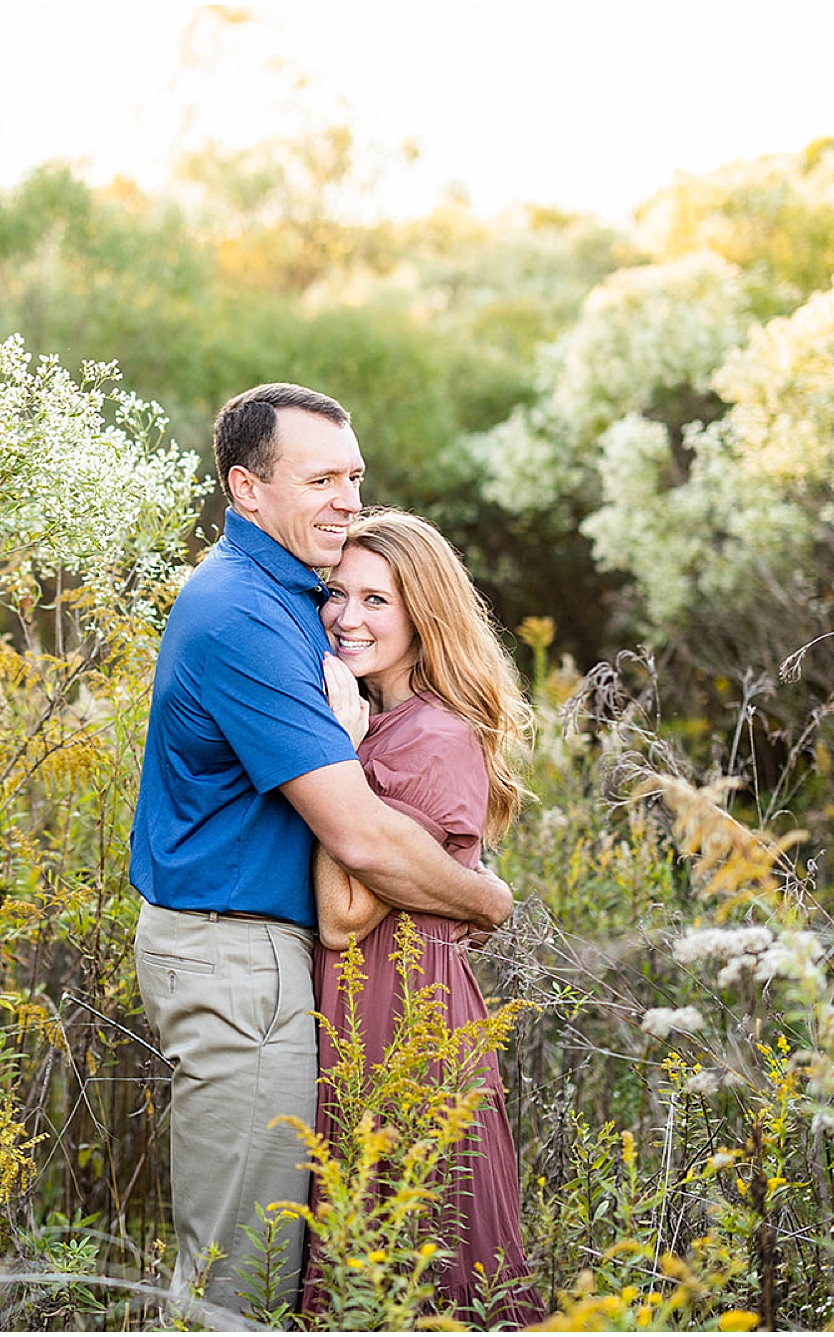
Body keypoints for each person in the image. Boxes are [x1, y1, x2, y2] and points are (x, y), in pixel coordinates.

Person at [129, 384, 514, 1318]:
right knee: (245, 1277)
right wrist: (485, 900)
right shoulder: (248, 616)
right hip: (237, 958)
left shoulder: (284, 594)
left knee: (291, 1260)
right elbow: (357, 835)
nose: (345, 498)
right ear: (246, 488)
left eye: (354, 476)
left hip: (263, 960)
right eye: (320, 478)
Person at [302, 507, 547, 1328]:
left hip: (404, 1014)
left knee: (419, 1263)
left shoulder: (428, 736)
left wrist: (335, 742)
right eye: (338, 594)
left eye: (377, 600)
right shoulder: (390, 723)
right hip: (375, 1003)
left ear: (423, 612)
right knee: (377, 1259)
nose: (346, 617)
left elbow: (341, 915)